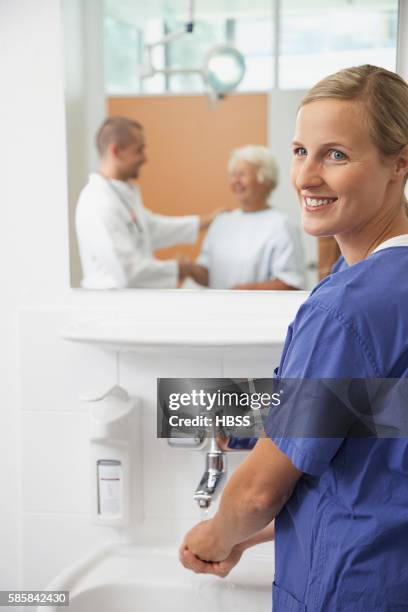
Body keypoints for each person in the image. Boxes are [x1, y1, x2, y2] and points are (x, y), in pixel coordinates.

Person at [179, 64, 408, 611]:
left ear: (400, 162)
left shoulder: (346, 308)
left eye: (336, 155)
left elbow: (259, 490)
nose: (305, 177)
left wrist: (217, 535)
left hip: (351, 590)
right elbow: (377, 438)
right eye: (301, 151)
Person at [76, 116, 218, 289]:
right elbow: (128, 272)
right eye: (139, 150)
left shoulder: (119, 195)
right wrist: (183, 269)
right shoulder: (99, 202)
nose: (145, 158)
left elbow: (152, 228)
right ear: (116, 151)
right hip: (110, 309)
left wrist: (207, 221)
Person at [186, 145, 306, 289]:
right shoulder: (221, 221)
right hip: (218, 310)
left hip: (257, 311)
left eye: (242, 174)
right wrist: (188, 269)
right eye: (233, 175)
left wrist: (244, 292)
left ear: (265, 179)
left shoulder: (282, 226)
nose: (235, 181)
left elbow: (291, 284)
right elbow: (207, 274)